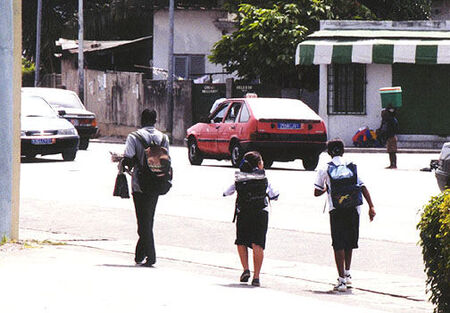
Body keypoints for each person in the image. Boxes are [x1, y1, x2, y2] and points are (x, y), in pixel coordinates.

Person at [314, 139, 376, 292]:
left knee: (338, 244)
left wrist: (326, 189)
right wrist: (371, 206)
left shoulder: (324, 168)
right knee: (349, 242)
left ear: (329, 152)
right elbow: (362, 186)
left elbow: (316, 191)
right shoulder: (352, 165)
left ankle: (340, 280)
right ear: (343, 150)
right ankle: (347, 275)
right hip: (354, 208)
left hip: (336, 209)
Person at [223, 151, 279, 287]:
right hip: (260, 213)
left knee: (241, 241)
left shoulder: (240, 178)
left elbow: (227, 192)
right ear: (259, 164)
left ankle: (246, 269)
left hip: (244, 212)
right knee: (257, 244)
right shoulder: (263, 178)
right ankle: (256, 277)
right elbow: (275, 195)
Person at [122, 109, 169, 267]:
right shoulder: (163, 137)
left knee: (142, 221)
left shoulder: (134, 137)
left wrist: (121, 162)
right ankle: (139, 254)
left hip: (140, 183)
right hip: (158, 181)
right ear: (155, 120)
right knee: (148, 218)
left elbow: (128, 159)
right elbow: (166, 159)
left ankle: (151, 256)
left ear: (141, 119)